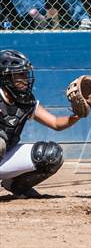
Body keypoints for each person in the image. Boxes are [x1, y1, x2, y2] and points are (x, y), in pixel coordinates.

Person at [0, 50, 83, 198]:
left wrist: (77, 115)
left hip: (4, 157)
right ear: (5, 76)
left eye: (26, 74)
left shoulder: (26, 100)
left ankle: (15, 185)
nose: (25, 78)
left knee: (51, 155)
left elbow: (56, 123)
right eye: (20, 74)